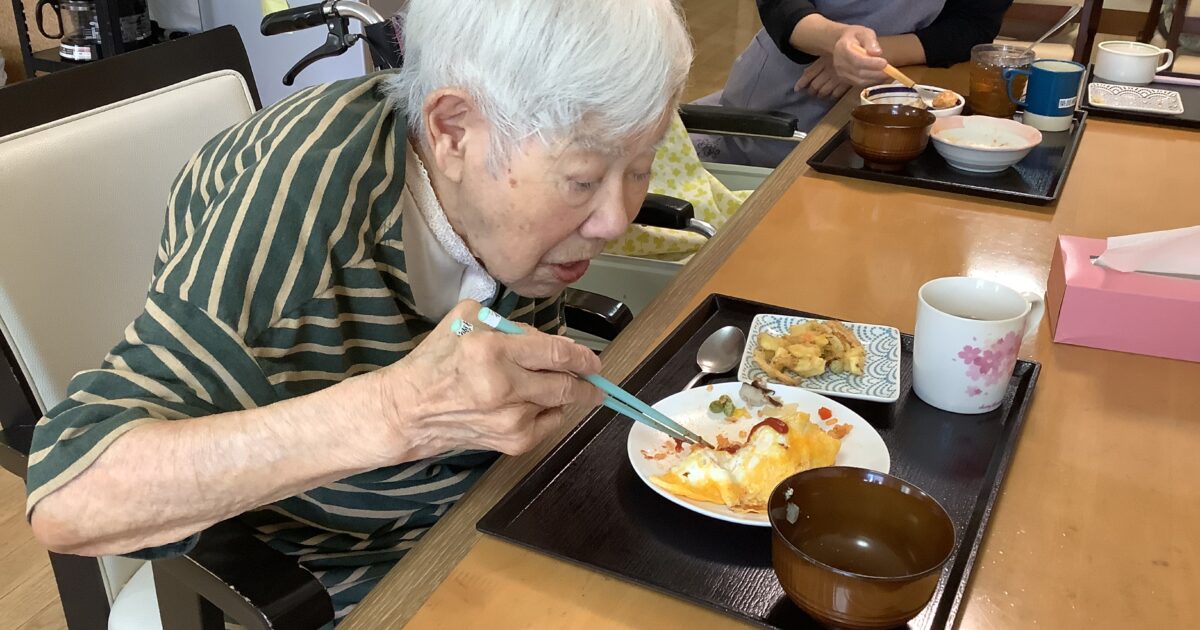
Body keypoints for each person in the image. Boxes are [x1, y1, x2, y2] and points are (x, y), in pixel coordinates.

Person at [25, 0, 692, 624]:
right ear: (453, 131)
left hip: (495, 510)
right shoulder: (293, 228)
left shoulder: (495, 194)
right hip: (342, 569)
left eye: (640, 165)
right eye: (581, 180)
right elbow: (69, 494)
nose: (617, 219)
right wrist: (396, 414)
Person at [698, 0, 1012, 167]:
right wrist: (836, 41)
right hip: (791, 86)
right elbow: (781, 4)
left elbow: (974, 23)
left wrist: (878, 52)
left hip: (891, 93)